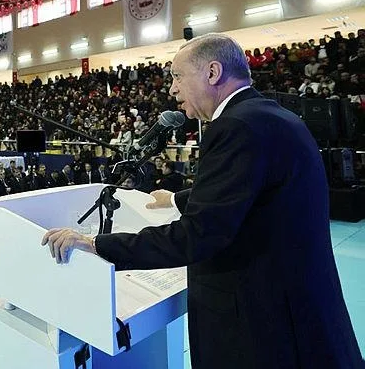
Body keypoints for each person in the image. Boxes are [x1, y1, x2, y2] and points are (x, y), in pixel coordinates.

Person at [41, 33, 363, 369]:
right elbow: (253, 190)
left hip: (262, 323)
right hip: (298, 305)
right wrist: (177, 199)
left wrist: (95, 243)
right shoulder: (269, 115)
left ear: (212, 73)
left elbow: (198, 234)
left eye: (178, 77)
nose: (172, 90)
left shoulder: (235, 127)